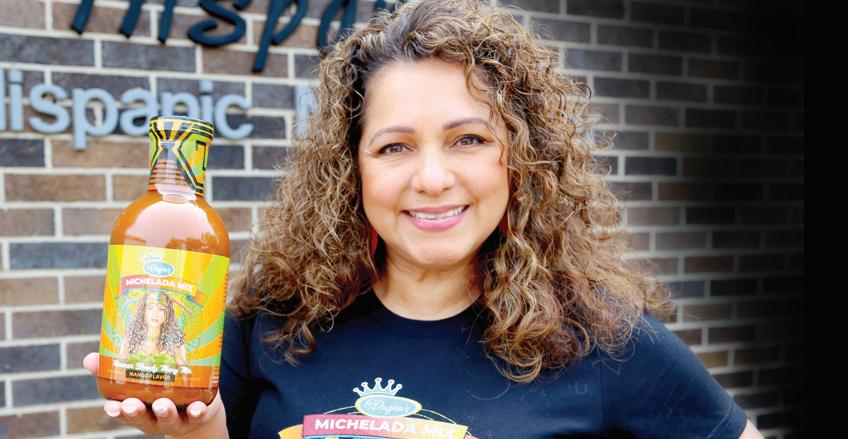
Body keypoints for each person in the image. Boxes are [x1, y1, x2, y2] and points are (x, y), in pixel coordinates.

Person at [83, 1, 765, 438]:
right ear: (351, 168)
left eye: (468, 139)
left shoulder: (607, 342)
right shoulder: (269, 321)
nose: (432, 178)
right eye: (395, 147)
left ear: (520, 157)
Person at [117, 290, 188, 369]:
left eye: (161, 309)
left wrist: (177, 354)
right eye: (150, 308)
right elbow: (118, 371)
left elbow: (185, 373)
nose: (155, 313)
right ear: (143, 311)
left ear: (168, 314)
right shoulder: (131, 338)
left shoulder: (176, 341)